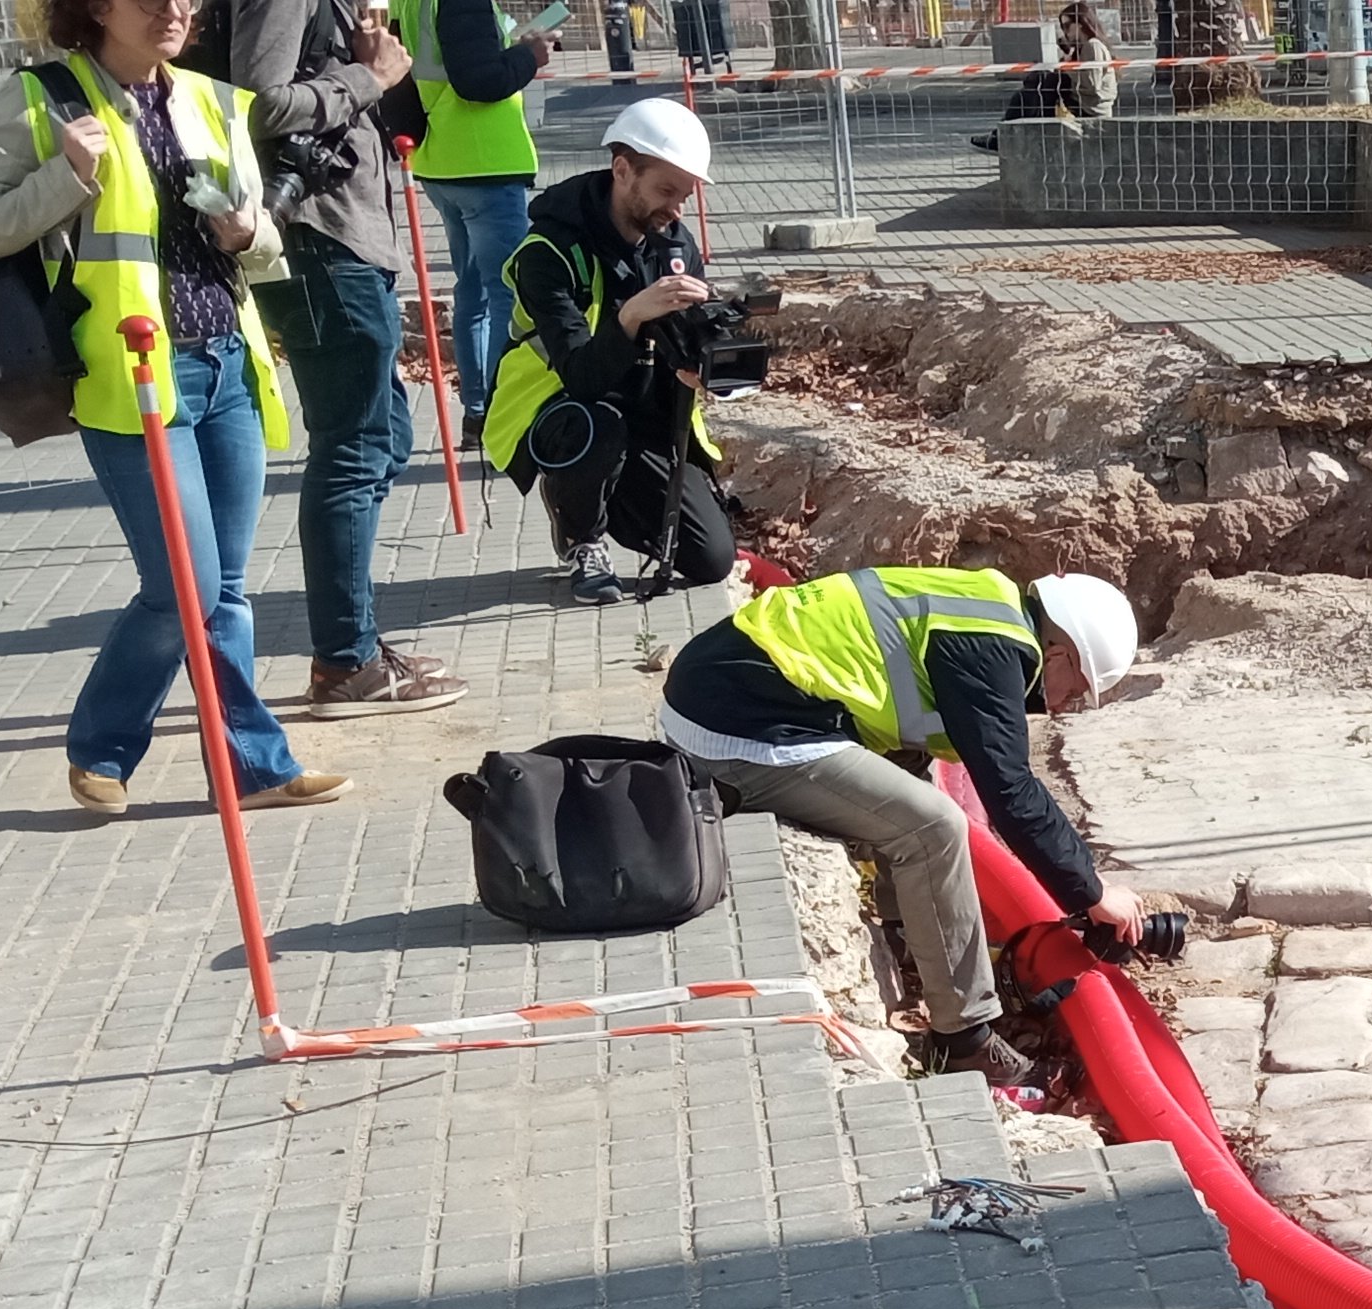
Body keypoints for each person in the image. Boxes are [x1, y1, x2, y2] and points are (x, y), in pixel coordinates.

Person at [0, 0, 348, 817]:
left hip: (225, 367)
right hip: (127, 378)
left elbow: (263, 247)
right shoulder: (44, 100)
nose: (175, 11)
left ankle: (249, 767)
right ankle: (101, 746)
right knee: (184, 588)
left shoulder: (209, 100)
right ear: (96, 7)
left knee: (225, 589)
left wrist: (248, 233)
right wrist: (65, 176)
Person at [657, 565, 1144, 1084]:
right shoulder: (994, 650)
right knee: (934, 829)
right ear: (1061, 654)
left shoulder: (988, 604)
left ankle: (909, 939)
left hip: (727, 692)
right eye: (1078, 688)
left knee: (912, 775)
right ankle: (966, 1037)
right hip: (738, 733)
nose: (1065, 705)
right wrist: (1092, 891)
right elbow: (1010, 790)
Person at [181, 0, 471, 717]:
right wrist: (364, 77)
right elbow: (256, 102)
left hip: (346, 244)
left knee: (383, 439)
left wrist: (375, 69)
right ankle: (344, 661)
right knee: (354, 446)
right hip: (317, 243)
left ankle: (356, 644)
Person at [482, 98, 735, 605]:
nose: (676, 210)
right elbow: (581, 375)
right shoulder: (548, 253)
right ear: (622, 171)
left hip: (646, 410)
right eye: (666, 191)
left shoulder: (673, 240)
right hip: (562, 408)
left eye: (685, 196)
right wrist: (630, 316)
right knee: (597, 426)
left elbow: (691, 340)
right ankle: (580, 536)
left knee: (710, 560)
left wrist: (705, 357)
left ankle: (609, 493)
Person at [386, 0, 551, 438]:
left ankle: (478, 411)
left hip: (441, 160)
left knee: (473, 292)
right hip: (485, 164)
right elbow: (480, 80)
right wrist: (528, 57)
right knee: (509, 295)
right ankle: (502, 415)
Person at [970, 0, 1110, 149]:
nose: (1066, 31)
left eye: (1068, 26)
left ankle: (1004, 138)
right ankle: (1006, 136)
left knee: (1040, 85)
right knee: (1034, 87)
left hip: (1090, 106)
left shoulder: (1093, 45)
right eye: (1063, 27)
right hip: (1080, 100)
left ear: (1081, 23)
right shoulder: (1082, 47)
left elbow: (1092, 86)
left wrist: (1067, 68)